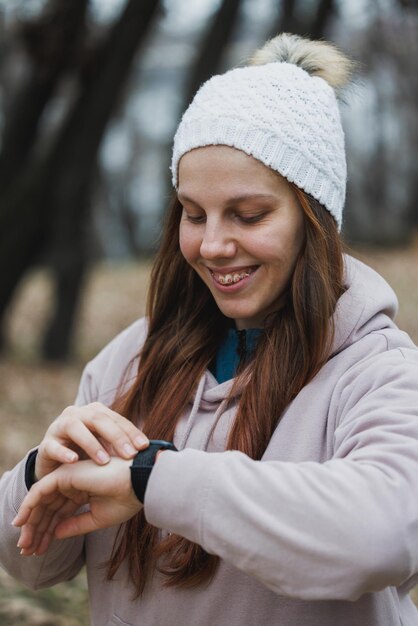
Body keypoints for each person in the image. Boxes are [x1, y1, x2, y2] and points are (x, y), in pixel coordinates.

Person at [1, 32, 418, 626]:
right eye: (193, 215)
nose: (214, 245)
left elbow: (383, 539)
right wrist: (40, 471)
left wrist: (153, 481)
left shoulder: (379, 372)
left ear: (314, 219)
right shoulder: (127, 362)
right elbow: (32, 565)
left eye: (249, 215)